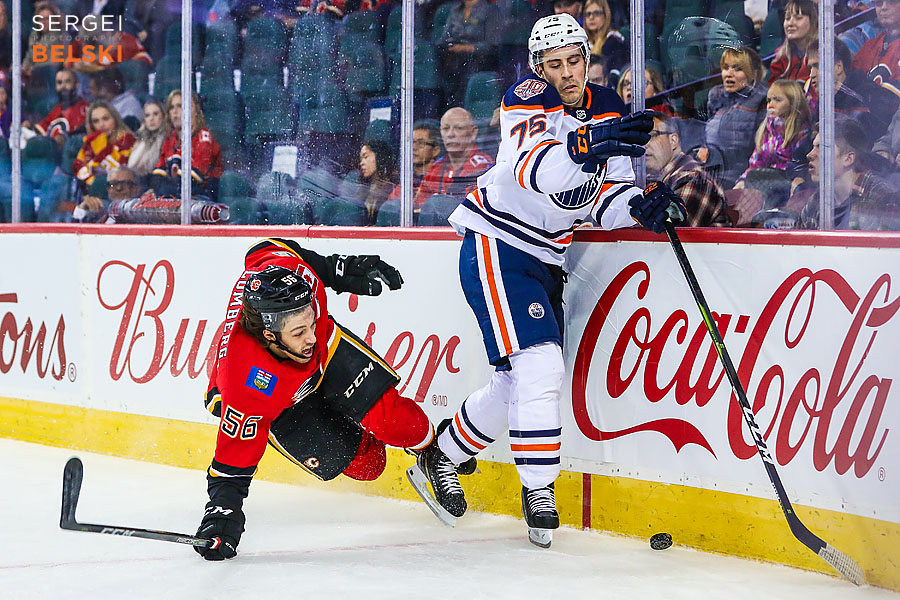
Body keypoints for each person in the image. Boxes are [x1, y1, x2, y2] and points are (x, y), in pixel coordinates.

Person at [432, 14, 684, 548]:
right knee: (540, 363)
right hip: (498, 242)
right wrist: (588, 142)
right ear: (537, 66)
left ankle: (442, 455)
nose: (567, 73)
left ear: (588, 61)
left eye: (575, 61)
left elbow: (600, 199)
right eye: (555, 64)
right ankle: (540, 492)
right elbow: (535, 170)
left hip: (547, 256)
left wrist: (639, 205)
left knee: (514, 380)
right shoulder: (526, 96)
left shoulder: (607, 110)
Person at [193, 238, 466, 560]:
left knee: (397, 421)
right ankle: (343, 419)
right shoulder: (245, 384)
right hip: (283, 403)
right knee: (370, 466)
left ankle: (432, 453)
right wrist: (223, 513)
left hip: (330, 352)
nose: (310, 337)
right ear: (269, 335)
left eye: (311, 322)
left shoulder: (293, 278)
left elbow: (265, 246)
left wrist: (336, 269)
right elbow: (234, 462)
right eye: (298, 332)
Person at [797, 120, 899, 230]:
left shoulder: (883, 198)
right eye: (813, 147)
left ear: (848, 158)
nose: (809, 155)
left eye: (821, 148)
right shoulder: (816, 201)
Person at [699, 46, 767, 187]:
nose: (728, 74)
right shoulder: (715, 97)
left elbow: (760, 149)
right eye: (725, 68)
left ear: (754, 74)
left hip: (739, 180)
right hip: (709, 175)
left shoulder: (761, 100)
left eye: (737, 69)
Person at [645, 115, 729, 227]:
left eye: (651, 136)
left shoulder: (693, 178)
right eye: (638, 139)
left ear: (673, 140)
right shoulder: (655, 178)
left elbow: (663, 235)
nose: (643, 145)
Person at [805, 38, 899, 136]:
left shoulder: (866, 96)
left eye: (818, 66)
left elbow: (873, 143)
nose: (811, 74)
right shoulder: (824, 100)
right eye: (810, 68)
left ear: (838, 67)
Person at [413, 107, 493, 212]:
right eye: (446, 129)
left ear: (473, 132)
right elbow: (418, 207)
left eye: (458, 128)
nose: (450, 134)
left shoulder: (482, 166)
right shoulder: (436, 168)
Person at [736, 79, 811, 184]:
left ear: (793, 103)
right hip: (764, 182)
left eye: (777, 100)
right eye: (769, 100)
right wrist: (743, 181)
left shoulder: (802, 131)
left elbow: (799, 166)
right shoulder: (766, 130)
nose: (770, 105)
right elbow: (756, 163)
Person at [151, 90, 224, 198]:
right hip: (176, 190)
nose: (175, 111)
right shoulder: (170, 138)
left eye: (180, 106)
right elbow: (159, 172)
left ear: (195, 111)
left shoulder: (203, 136)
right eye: (171, 107)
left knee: (164, 192)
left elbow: (194, 177)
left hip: (202, 194)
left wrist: (160, 191)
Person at [435, 0, 497, 107]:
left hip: (478, 61)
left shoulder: (490, 10)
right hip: (453, 60)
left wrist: (466, 48)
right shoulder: (455, 10)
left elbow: (491, 45)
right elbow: (444, 38)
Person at [72, 100, 135, 189]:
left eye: (106, 119)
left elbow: (120, 173)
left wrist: (101, 150)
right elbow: (78, 167)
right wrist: (93, 182)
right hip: (95, 192)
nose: (101, 125)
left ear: (115, 119)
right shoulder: (91, 143)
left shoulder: (127, 140)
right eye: (96, 121)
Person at [26, 68, 89, 146]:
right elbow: (41, 129)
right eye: (59, 83)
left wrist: (64, 138)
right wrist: (29, 125)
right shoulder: (56, 110)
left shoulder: (85, 109)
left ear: (76, 84)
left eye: (67, 81)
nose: (63, 86)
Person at [851, 0, 900, 97]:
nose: (884, 7)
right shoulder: (869, 46)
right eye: (879, 3)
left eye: (892, 2)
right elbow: (852, 87)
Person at [768, 0, 817, 84]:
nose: (790, 23)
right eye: (787, 18)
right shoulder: (781, 56)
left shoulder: (824, 56)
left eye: (798, 18)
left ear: (813, 22)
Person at [73, 164, 142, 222]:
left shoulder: (143, 213)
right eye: (113, 184)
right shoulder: (99, 209)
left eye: (125, 183)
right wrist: (81, 210)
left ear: (136, 188)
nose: (119, 188)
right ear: (108, 189)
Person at [582, 0, 627, 78]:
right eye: (588, 14)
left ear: (606, 15)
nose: (591, 17)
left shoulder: (615, 42)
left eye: (596, 13)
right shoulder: (582, 44)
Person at [127, 99, 169, 179]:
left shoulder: (167, 140)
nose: (151, 119)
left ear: (163, 116)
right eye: (147, 115)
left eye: (155, 114)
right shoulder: (140, 140)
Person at [357, 140, 396, 225]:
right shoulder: (364, 189)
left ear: (379, 157)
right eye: (361, 159)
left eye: (366, 157)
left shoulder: (392, 189)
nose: (361, 163)